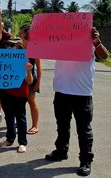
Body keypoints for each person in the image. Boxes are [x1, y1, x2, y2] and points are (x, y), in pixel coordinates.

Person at [45, 27, 109, 176]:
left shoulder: (90, 40)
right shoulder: (58, 41)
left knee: (84, 130)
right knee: (62, 126)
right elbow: (39, 48)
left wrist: (96, 42)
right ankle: (61, 151)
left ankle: (86, 161)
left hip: (82, 93)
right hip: (61, 91)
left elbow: (104, 56)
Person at [0, 37, 33, 153]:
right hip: (5, 91)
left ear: (18, 47)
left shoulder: (24, 60)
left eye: (11, 45)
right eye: (7, 45)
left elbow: (29, 81)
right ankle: (10, 139)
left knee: (20, 118)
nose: (8, 47)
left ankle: (22, 143)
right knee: (8, 116)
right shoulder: (2, 59)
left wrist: (28, 70)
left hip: (19, 93)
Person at [19, 25, 41, 134]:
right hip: (18, 79)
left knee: (31, 101)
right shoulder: (18, 46)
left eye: (21, 32)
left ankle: (35, 125)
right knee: (19, 102)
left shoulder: (34, 47)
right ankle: (19, 122)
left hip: (31, 79)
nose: (19, 33)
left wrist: (38, 83)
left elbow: (39, 68)